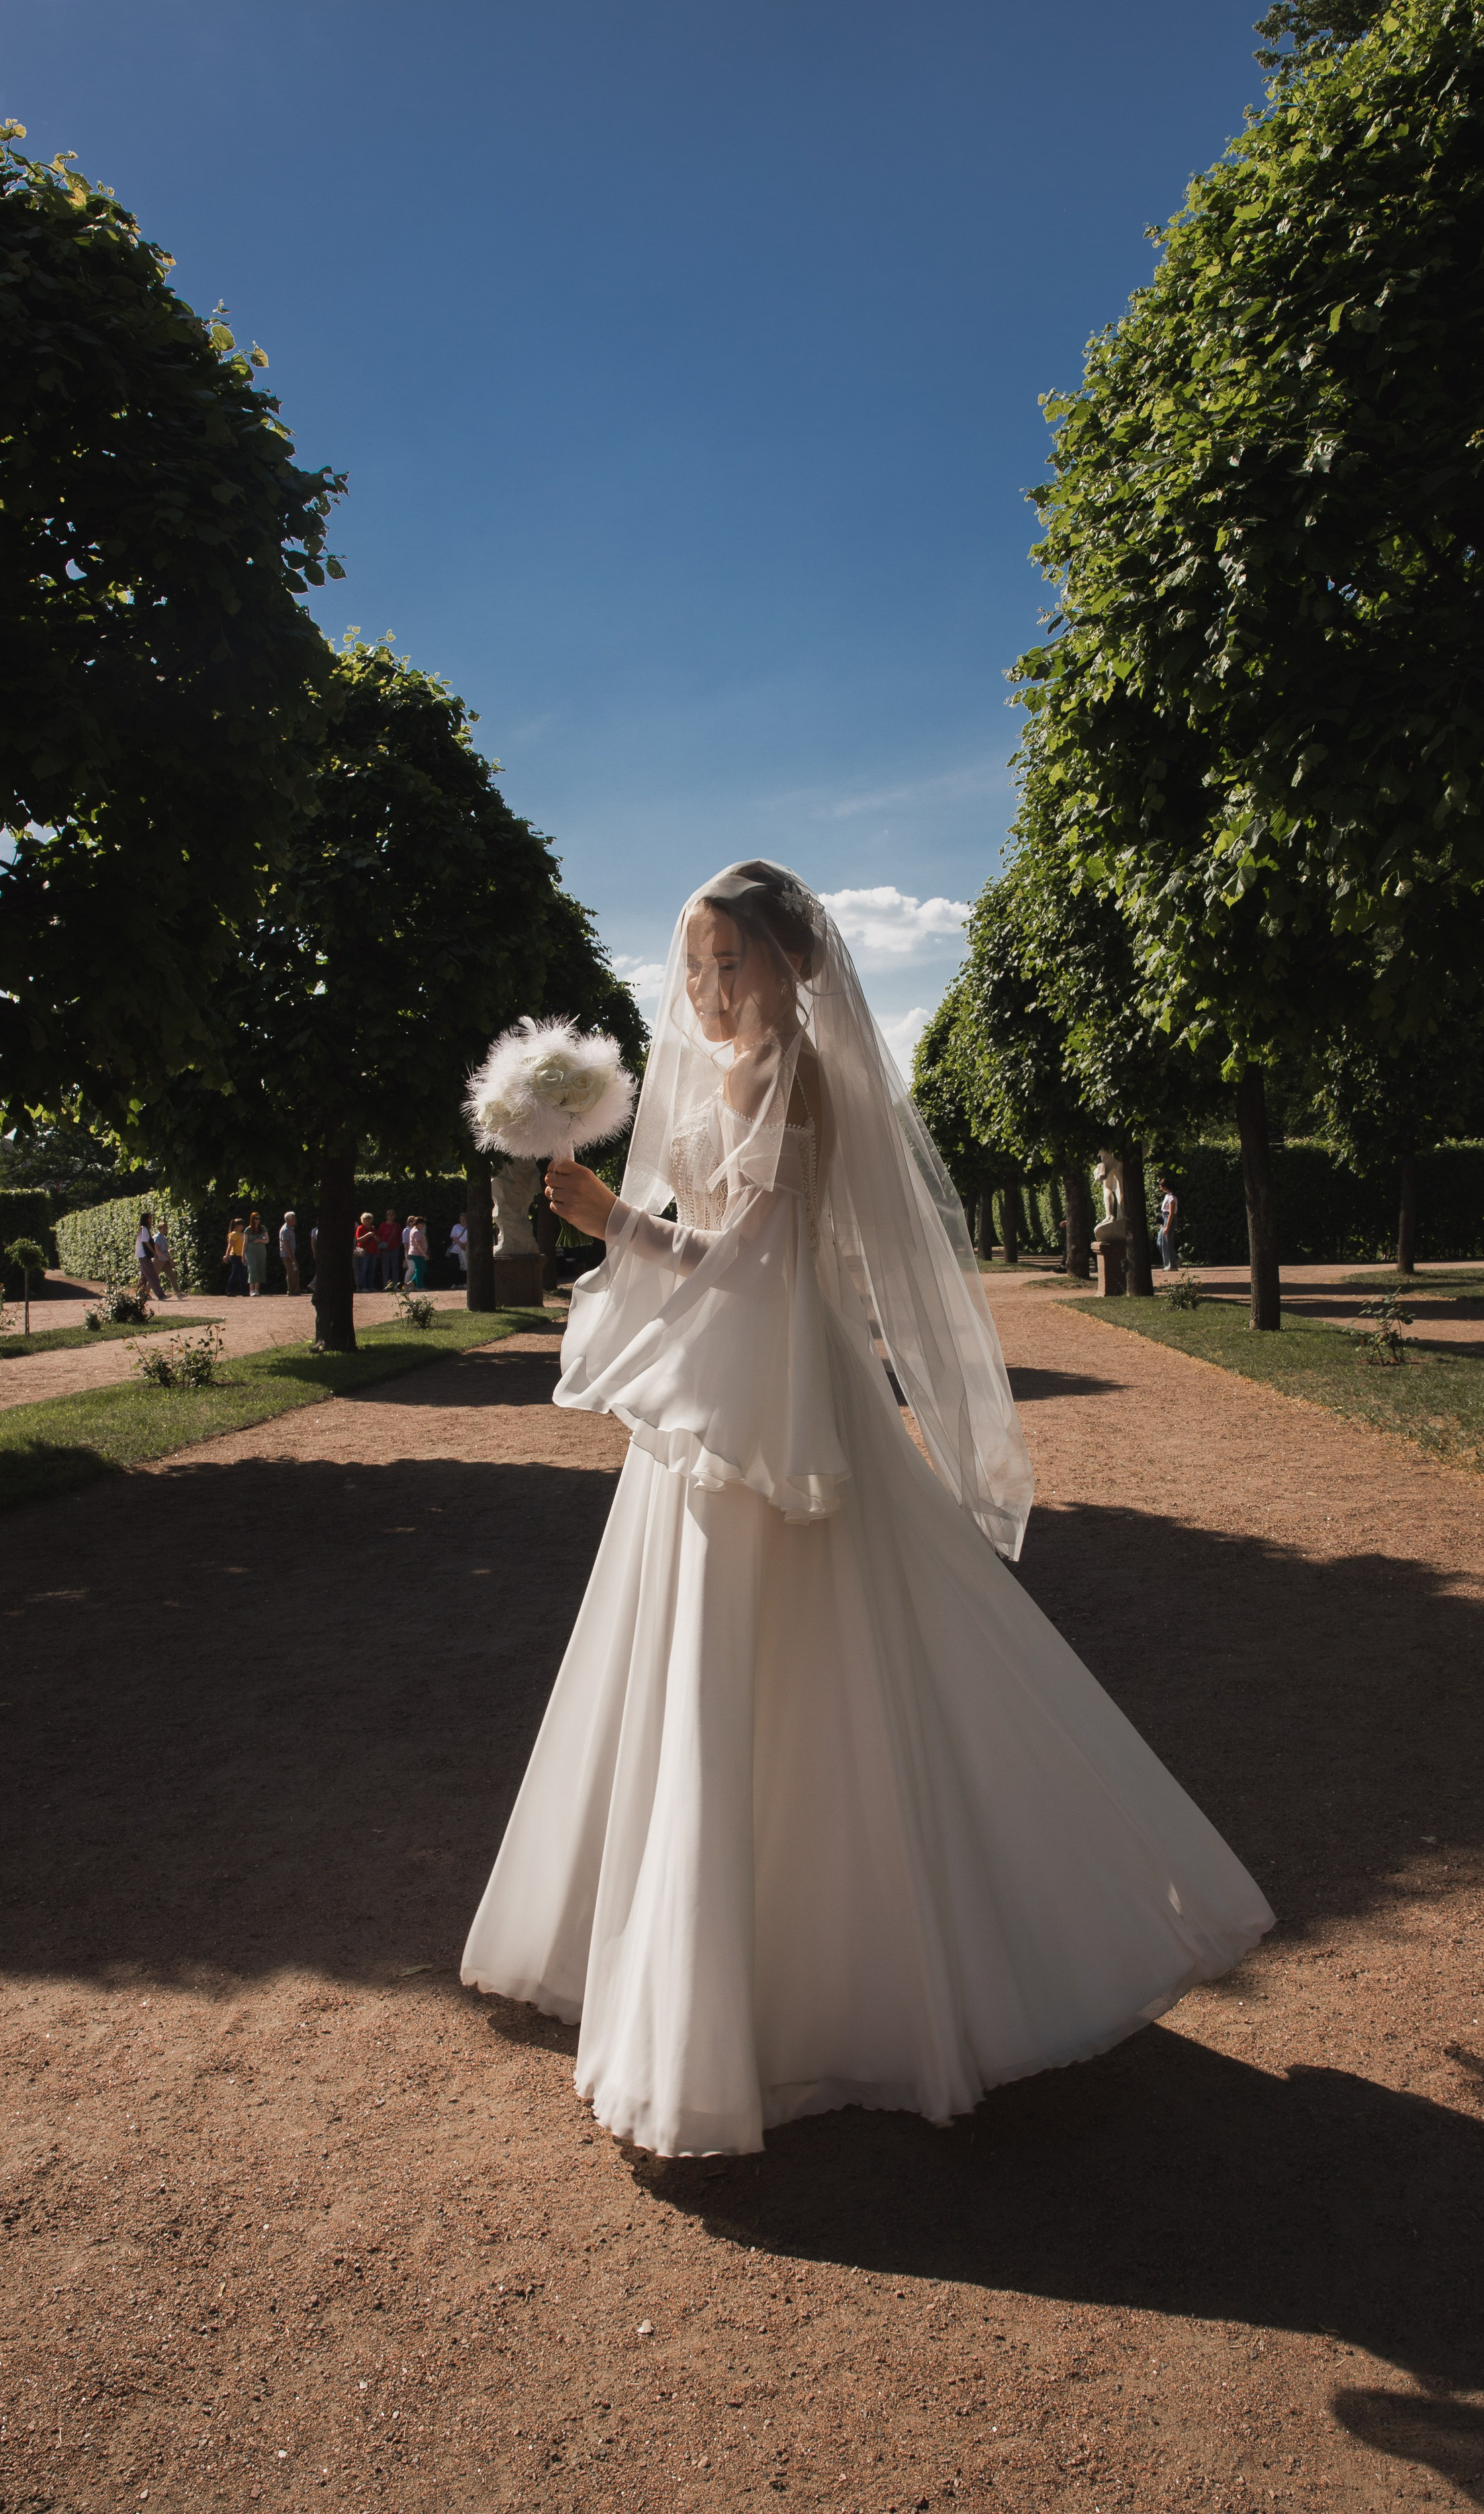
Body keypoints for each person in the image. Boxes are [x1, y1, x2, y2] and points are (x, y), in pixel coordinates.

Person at [462, 860, 1270, 2159]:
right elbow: (720, 1251)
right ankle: (727, 1973)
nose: (711, 988)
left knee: (790, 1662)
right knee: (708, 1667)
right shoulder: (737, 1073)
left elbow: (757, 1267)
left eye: (736, 962)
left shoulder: (794, 1075)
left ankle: (801, 1997)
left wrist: (616, 1220)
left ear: (799, 968)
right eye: (698, 963)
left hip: (784, 1403)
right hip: (733, 1404)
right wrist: (617, 1213)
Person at [135, 1212, 163, 1300]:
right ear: (146, 1219)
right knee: (152, 1275)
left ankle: (140, 1294)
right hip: (144, 1255)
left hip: (142, 1255)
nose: (151, 1220)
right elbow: (146, 1242)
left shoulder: (142, 1229)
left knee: (144, 1277)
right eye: (149, 1218)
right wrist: (154, 1253)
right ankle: (160, 1294)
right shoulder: (144, 1229)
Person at [242, 1210, 270, 1297]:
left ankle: (257, 1290)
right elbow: (245, 1243)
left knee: (260, 1268)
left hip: (261, 1250)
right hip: (250, 1251)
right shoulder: (248, 1230)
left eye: (259, 1219)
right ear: (252, 1219)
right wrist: (243, 1255)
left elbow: (267, 1240)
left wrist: (259, 1240)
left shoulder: (263, 1228)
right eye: (256, 1219)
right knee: (252, 1268)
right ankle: (252, 1290)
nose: (258, 1220)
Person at [1158, 1175, 1180, 1274]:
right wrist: (1163, 1224)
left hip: (1170, 1219)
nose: (1160, 1188)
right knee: (1160, 1242)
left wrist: (1167, 1225)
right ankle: (1173, 1260)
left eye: (1161, 1186)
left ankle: (1171, 1265)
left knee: (1168, 1242)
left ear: (1165, 1186)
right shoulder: (1167, 1196)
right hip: (1165, 1219)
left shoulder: (1172, 1197)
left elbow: (1171, 1213)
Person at [353, 1211, 380, 1293]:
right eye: (366, 1218)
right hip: (364, 1252)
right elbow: (359, 1240)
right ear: (362, 1220)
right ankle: (363, 1287)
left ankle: (370, 1286)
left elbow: (379, 1240)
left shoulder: (373, 1228)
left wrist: (375, 1237)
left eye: (369, 1218)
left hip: (373, 1252)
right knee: (363, 1270)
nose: (368, 1220)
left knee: (372, 1270)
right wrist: (368, 1235)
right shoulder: (360, 1228)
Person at [221, 1217, 248, 1298]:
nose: (243, 1227)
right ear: (236, 1226)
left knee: (236, 1273)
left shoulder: (242, 1234)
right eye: (241, 1225)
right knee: (241, 1273)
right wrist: (227, 1255)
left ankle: (229, 1290)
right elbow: (230, 1246)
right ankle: (244, 1291)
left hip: (240, 1255)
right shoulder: (234, 1234)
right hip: (235, 1255)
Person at [379, 1208, 404, 1290]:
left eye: (392, 1214)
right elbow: (379, 1236)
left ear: (395, 1216)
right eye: (389, 1214)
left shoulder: (397, 1226)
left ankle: (396, 1285)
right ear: (386, 1216)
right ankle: (386, 1285)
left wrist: (399, 1245)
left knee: (395, 1267)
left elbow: (401, 1237)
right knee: (385, 1268)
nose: (391, 1216)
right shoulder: (383, 1225)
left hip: (395, 1249)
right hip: (385, 1249)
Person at [152, 1220, 178, 1298]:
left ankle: (178, 1293)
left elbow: (164, 1249)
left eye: (166, 1227)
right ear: (160, 1228)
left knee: (172, 1276)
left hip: (164, 1260)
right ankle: (146, 1293)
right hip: (159, 1260)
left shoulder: (163, 1237)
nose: (165, 1229)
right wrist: (168, 1258)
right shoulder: (157, 1237)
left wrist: (169, 1251)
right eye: (164, 1227)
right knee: (154, 1277)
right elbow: (157, 1250)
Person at [278, 1210, 300, 1297]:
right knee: (291, 1271)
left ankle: (296, 1289)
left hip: (290, 1254)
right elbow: (285, 1243)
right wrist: (291, 1256)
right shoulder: (286, 1230)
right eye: (294, 1218)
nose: (295, 1220)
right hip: (287, 1255)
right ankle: (291, 1290)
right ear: (290, 1219)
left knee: (295, 1270)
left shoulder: (290, 1229)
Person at [404, 1215, 430, 1289]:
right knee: (419, 1269)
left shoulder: (415, 1230)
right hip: (417, 1254)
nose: (423, 1225)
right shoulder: (416, 1232)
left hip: (416, 1253)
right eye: (422, 1224)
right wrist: (424, 1254)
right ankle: (420, 1287)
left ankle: (413, 1282)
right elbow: (418, 1244)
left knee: (423, 1268)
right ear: (418, 1223)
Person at [447, 1216, 468, 1287]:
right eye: (461, 1219)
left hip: (466, 1250)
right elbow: (453, 1236)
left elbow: (471, 1236)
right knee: (456, 1266)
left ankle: (464, 1283)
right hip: (456, 1250)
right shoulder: (456, 1227)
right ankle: (455, 1283)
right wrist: (460, 1244)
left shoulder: (469, 1227)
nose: (463, 1220)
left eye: (464, 1219)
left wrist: (465, 1244)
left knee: (465, 1266)